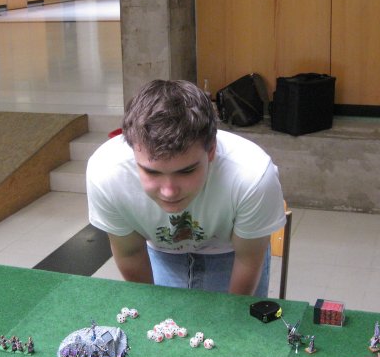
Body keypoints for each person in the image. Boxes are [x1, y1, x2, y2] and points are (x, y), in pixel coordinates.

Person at [86, 79, 286, 296]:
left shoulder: (253, 176)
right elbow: (130, 253)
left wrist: (232, 315)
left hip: (232, 254)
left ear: (211, 150)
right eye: (152, 172)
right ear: (133, 152)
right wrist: (151, 308)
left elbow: (248, 260)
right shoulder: (107, 173)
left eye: (186, 171)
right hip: (160, 252)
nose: (169, 191)